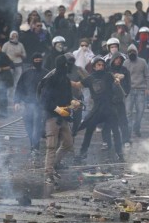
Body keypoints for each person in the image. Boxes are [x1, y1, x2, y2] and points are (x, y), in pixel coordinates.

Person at [75, 56, 124, 162]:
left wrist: (118, 78)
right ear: (94, 66)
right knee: (89, 131)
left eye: (102, 65)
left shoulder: (108, 76)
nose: (101, 66)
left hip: (109, 108)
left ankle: (120, 153)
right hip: (97, 109)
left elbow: (119, 75)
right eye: (98, 65)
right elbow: (78, 85)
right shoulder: (90, 78)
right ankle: (83, 152)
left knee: (116, 131)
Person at [38, 55, 76, 187]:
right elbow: (44, 101)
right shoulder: (51, 80)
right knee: (51, 146)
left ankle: (53, 165)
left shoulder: (65, 79)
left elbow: (68, 97)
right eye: (67, 64)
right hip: (51, 117)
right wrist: (57, 109)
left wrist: (73, 103)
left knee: (68, 143)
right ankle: (48, 174)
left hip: (63, 117)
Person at [14, 53, 48, 156]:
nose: (38, 61)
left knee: (37, 126)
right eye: (36, 60)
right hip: (28, 104)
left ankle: (35, 148)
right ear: (32, 61)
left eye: (39, 60)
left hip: (40, 105)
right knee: (28, 125)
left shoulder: (46, 73)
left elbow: (50, 89)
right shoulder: (26, 73)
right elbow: (19, 87)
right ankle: (32, 144)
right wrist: (17, 101)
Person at [123, 44, 149, 139]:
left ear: (137, 52)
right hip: (129, 91)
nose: (131, 53)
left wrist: (148, 88)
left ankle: (136, 128)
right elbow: (123, 77)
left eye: (133, 51)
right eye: (129, 52)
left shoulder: (143, 62)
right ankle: (129, 132)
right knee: (128, 112)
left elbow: (147, 76)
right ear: (127, 53)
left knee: (141, 111)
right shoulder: (125, 63)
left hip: (141, 90)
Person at [0, 42, 14, 118]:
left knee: (2, 94)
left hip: (5, 77)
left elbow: (12, 65)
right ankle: (0, 111)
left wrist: (2, 68)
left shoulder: (3, 55)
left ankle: (4, 112)